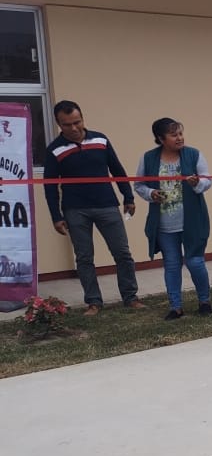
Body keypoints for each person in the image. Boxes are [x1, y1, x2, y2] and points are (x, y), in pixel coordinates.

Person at [43, 100, 145, 316]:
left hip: (107, 205)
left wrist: (128, 196)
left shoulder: (100, 139)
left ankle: (131, 297)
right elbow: (50, 186)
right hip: (75, 210)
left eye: (77, 122)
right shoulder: (54, 150)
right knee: (84, 258)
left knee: (122, 253)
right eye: (67, 124)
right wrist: (56, 216)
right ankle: (94, 302)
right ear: (58, 124)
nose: (73, 128)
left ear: (83, 118)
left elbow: (117, 169)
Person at [135, 118, 212, 320]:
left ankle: (204, 301)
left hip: (192, 220)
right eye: (174, 135)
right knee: (171, 264)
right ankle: (175, 307)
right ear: (161, 139)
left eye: (180, 133)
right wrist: (151, 193)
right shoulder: (148, 158)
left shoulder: (193, 154)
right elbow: (139, 185)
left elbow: (207, 180)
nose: (179, 138)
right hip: (163, 224)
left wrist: (197, 183)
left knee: (195, 262)